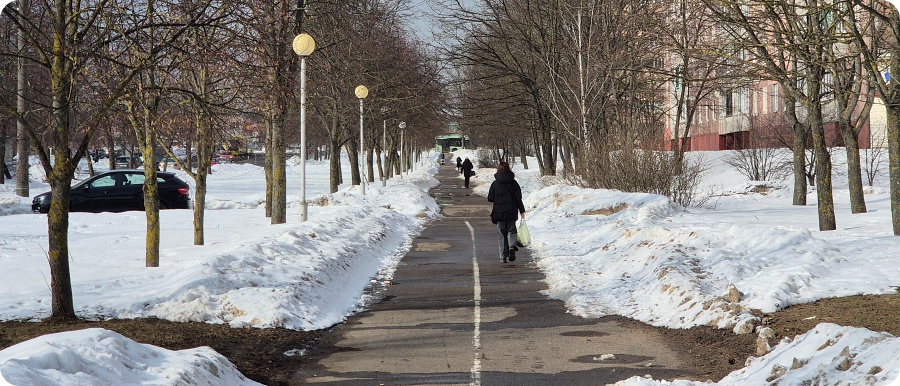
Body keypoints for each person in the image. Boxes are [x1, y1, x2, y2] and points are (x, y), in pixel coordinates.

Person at [487, 161, 525, 263]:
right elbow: (518, 198)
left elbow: (490, 198)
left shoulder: (495, 184)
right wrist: (522, 211)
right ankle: (512, 246)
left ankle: (503, 256)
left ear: (498, 170)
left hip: (499, 213)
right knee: (512, 231)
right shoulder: (514, 183)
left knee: (501, 234)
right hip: (511, 211)